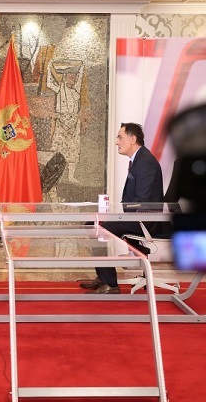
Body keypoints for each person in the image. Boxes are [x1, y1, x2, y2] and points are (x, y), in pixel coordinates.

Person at [81, 122, 164, 294]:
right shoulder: (139, 159)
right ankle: (103, 277)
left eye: (120, 137)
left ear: (132, 139)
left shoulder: (145, 162)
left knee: (99, 227)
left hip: (145, 221)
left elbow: (143, 201)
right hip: (136, 217)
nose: (116, 142)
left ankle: (110, 284)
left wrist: (118, 217)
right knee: (92, 224)